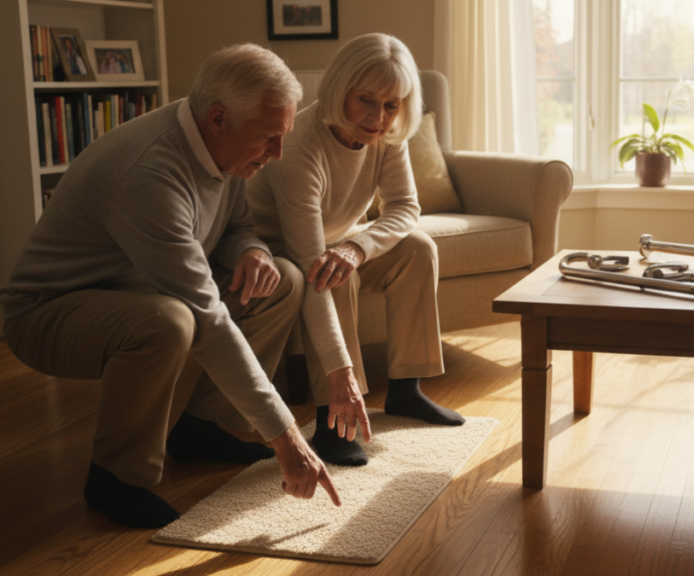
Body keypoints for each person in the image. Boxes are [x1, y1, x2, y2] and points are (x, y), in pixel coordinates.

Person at [0, 44, 339, 528]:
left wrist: (252, 251)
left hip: (139, 289)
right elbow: (207, 317)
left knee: (282, 279)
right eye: (270, 138)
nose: (278, 153)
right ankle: (116, 478)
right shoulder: (148, 172)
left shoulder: (226, 148)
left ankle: (196, 427)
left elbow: (233, 226)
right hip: (47, 313)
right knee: (171, 321)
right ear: (219, 117)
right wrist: (287, 437)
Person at [247, 33, 464, 468]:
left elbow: (405, 208)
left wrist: (358, 247)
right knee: (331, 271)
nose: (378, 117)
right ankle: (332, 420)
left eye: (391, 104)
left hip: (342, 239)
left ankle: (406, 390)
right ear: (339, 89)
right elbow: (310, 256)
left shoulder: (387, 134)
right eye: (365, 100)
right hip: (283, 249)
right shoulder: (300, 145)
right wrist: (344, 254)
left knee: (418, 248)